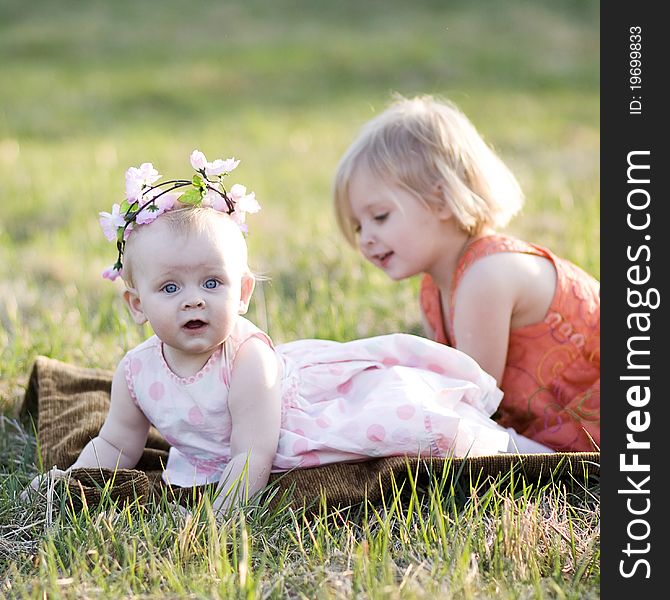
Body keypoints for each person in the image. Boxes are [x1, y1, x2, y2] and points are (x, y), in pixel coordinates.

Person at [22, 150, 548, 514]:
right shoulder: (136, 372)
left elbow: (253, 450)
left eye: (212, 282)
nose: (194, 299)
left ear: (243, 292)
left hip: (302, 422)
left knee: (420, 423)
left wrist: (224, 517)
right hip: (225, 450)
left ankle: (523, 450)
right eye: (170, 289)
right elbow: (117, 442)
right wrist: (75, 482)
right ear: (136, 305)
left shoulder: (248, 359)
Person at [333, 95, 600, 452]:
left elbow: (472, 405)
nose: (366, 238)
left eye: (379, 216)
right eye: (357, 226)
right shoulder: (433, 289)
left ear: (440, 200)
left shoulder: (487, 275)